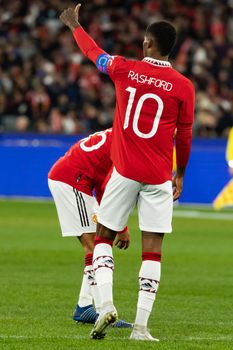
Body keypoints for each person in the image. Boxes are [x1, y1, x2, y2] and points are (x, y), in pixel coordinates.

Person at [60, 4, 195, 341]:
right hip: (159, 177)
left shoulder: (124, 69)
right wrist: (180, 174)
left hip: (124, 172)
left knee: (103, 238)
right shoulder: (184, 87)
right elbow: (185, 135)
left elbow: (94, 53)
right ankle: (141, 328)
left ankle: (104, 304)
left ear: (147, 44)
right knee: (153, 250)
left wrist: (75, 25)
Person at [48, 128, 132, 328]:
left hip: (71, 178)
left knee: (98, 246)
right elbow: (106, 189)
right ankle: (104, 311)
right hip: (72, 182)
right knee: (96, 247)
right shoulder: (124, 145)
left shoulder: (117, 134)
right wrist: (121, 227)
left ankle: (85, 305)